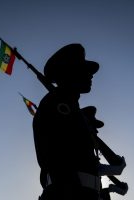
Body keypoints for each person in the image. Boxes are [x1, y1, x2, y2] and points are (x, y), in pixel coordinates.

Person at [33, 44, 101, 200]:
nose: (91, 75)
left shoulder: (71, 108)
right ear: (70, 72)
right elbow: (54, 157)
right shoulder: (57, 103)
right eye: (85, 70)